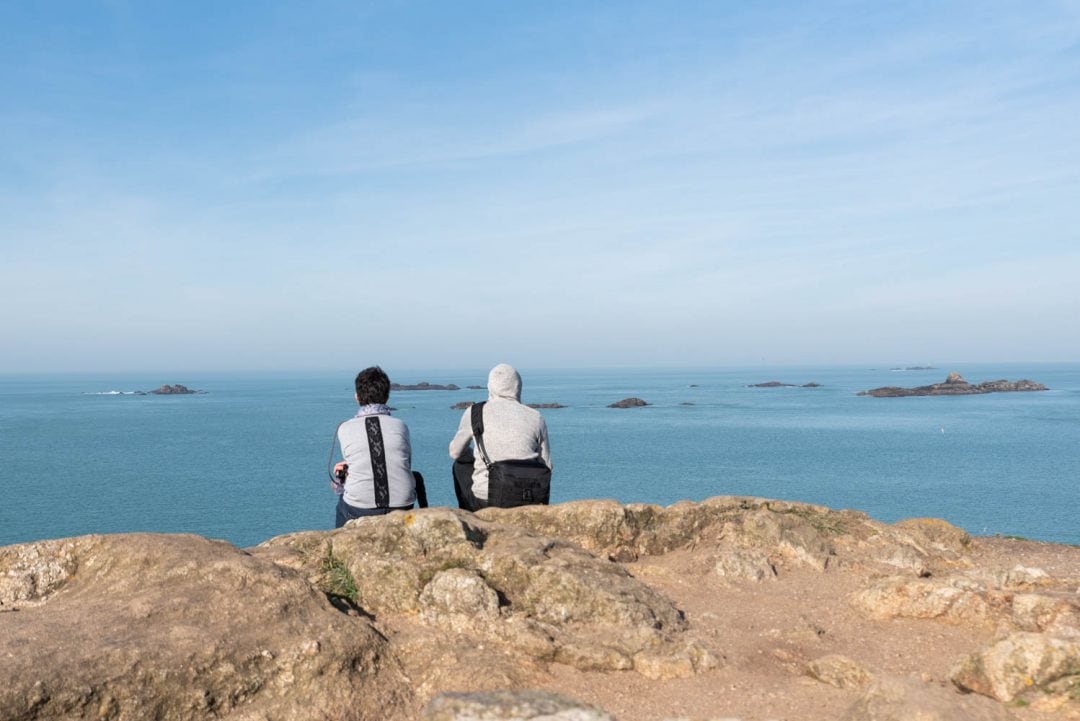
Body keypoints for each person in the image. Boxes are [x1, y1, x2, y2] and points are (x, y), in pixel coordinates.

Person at [449, 363, 552, 510]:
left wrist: (474, 456)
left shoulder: (474, 412)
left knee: (460, 465)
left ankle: (471, 520)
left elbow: (455, 452)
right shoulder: (536, 417)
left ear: (490, 387)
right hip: (527, 497)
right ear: (518, 387)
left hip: (488, 498)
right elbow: (546, 464)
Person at [331, 366, 417, 527]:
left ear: (357, 397)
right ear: (387, 396)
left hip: (360, 509)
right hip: (403, 505)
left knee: (342, 502)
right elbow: (405, 464)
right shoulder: (400, 426)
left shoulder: (345, 428)